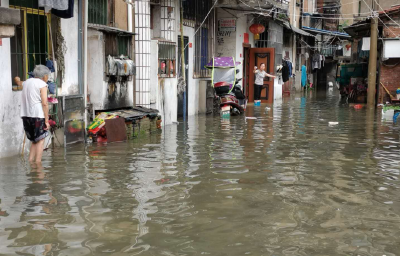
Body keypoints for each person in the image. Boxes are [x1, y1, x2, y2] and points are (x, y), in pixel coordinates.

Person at [16, 65, 51, 164]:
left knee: (34, 141)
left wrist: (17, 79)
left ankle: (31, 163)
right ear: (44, 76)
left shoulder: (27, 82)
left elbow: (18, 82)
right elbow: (45, 103)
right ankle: (38, 165)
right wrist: (46, 121)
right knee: (40, 140)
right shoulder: (42, 84)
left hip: (25, 115)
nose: (47, 78)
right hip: (37, 116)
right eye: (47, 76)